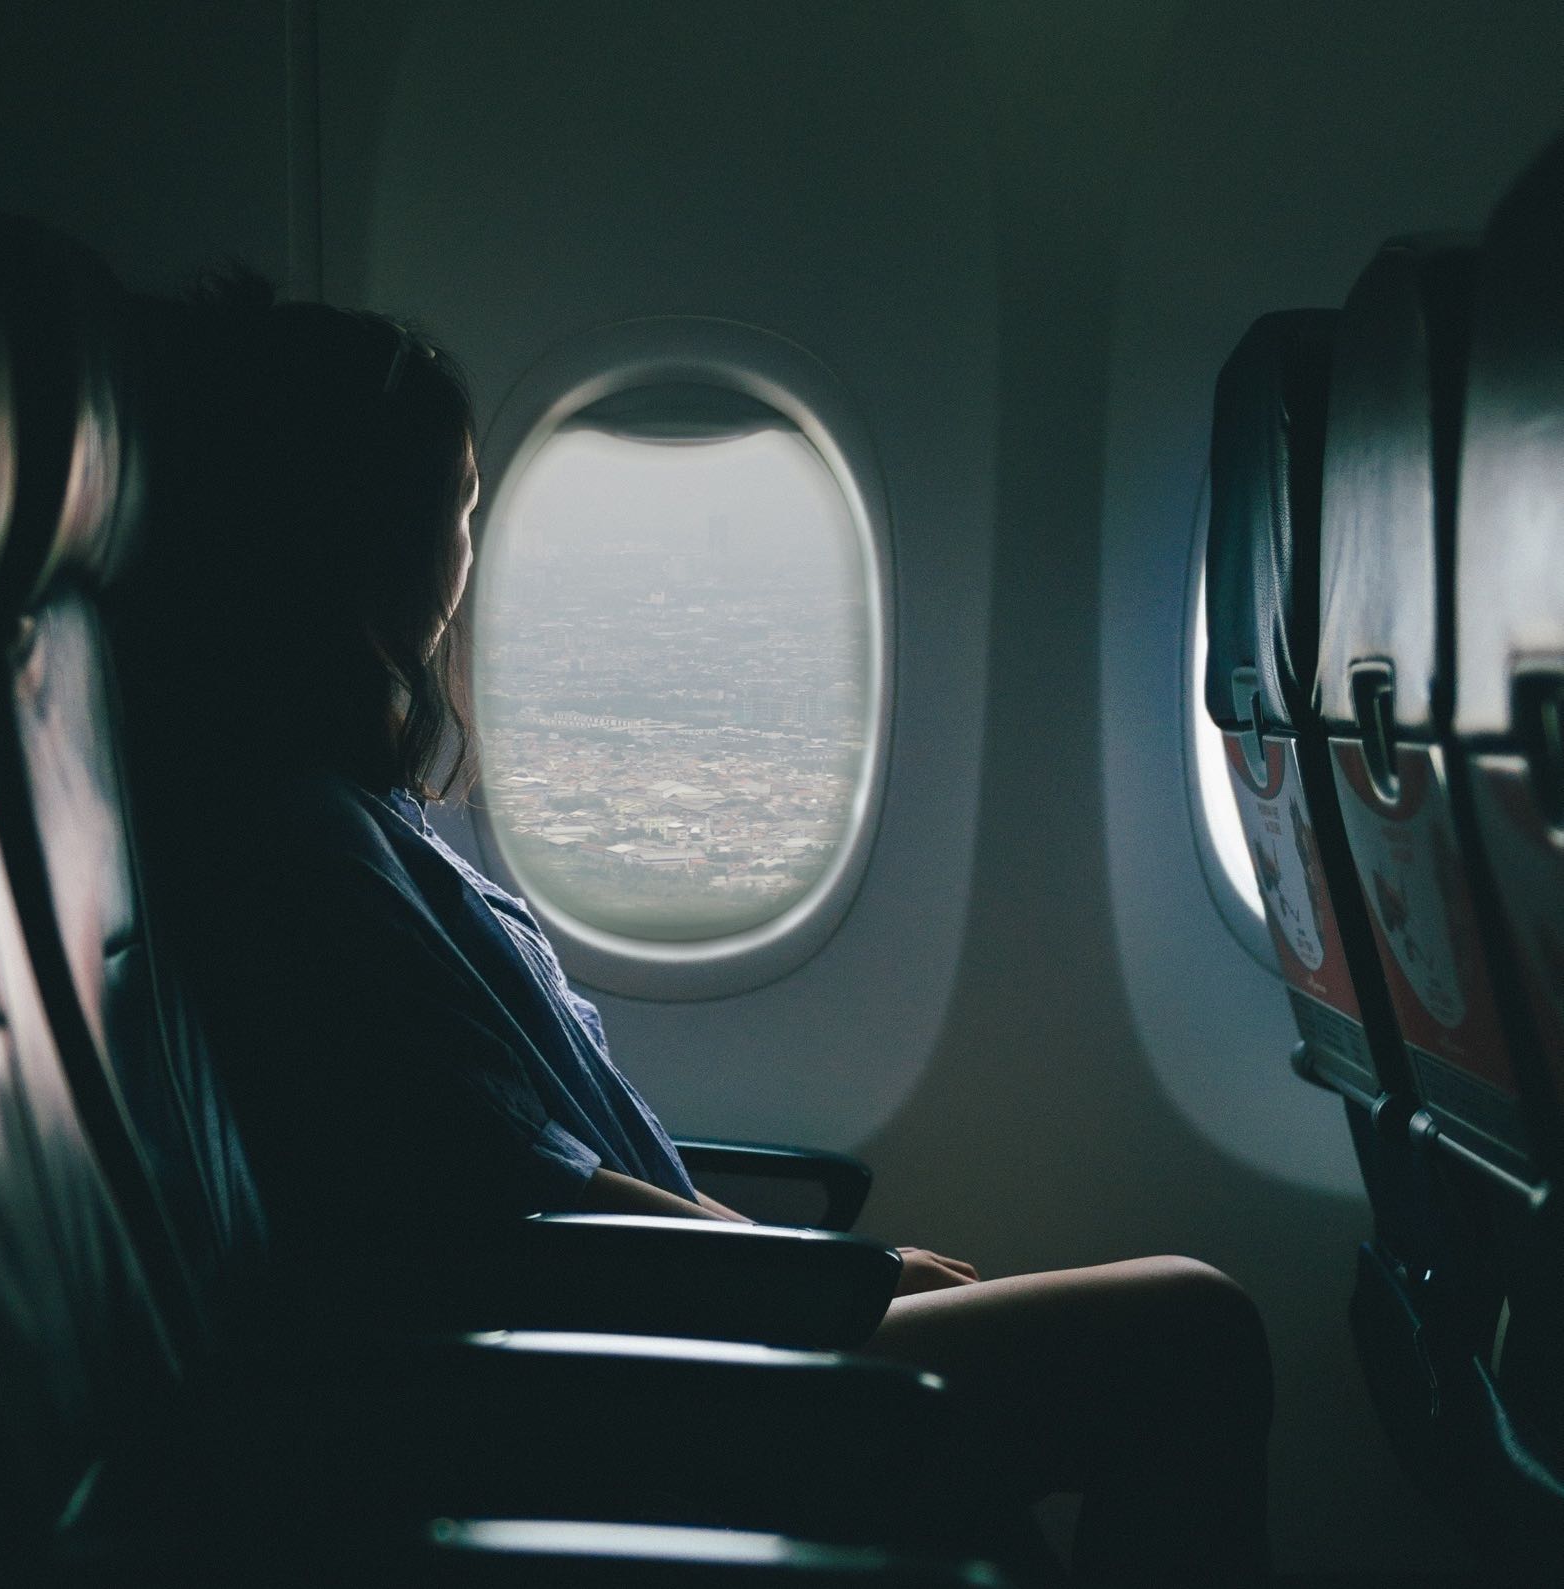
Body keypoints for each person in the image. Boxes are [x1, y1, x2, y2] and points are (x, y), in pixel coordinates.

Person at [118, 278, 1273, 1588]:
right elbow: (520, 1198)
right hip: (611, 1392)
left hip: (656, 1333)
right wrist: (833, 1272)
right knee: (1194, 1331)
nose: (469, 547)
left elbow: (560, 1172)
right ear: (362, 541)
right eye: (459, 508)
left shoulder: (345, 820)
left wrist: (805, 1267)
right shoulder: (307, 854)